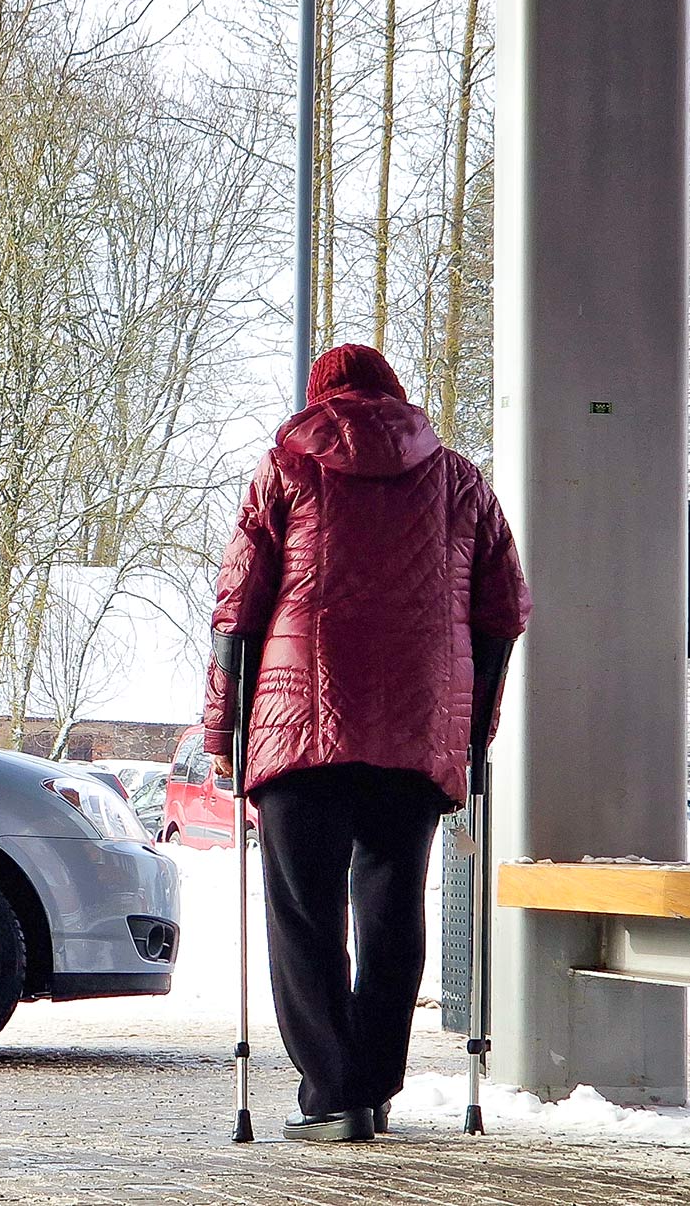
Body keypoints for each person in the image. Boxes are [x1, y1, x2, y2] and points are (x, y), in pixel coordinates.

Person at [203, 343, 530, 1143]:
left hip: (296, 725)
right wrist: (469, 731)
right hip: (412, 734)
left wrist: (224, 730)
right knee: (389, 909)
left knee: (303, 913)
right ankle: (374, 1089)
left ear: (320, 400)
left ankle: (331, 1095)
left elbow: (236, 612)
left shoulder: (283, 466)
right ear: (394, 396)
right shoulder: (457, 481)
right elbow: (503, 612)